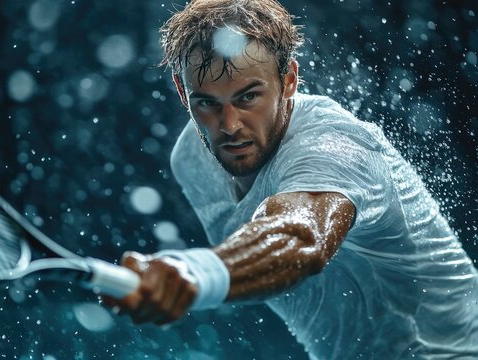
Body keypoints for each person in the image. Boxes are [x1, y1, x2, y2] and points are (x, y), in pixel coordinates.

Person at [104, 0, 478, 358]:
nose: (230, 126)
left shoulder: (336, 146)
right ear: (183, 92)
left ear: (289, 80)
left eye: (248, 97)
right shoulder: (191, 159)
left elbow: (299, 236)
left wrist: (197, 272)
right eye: (208, 103)